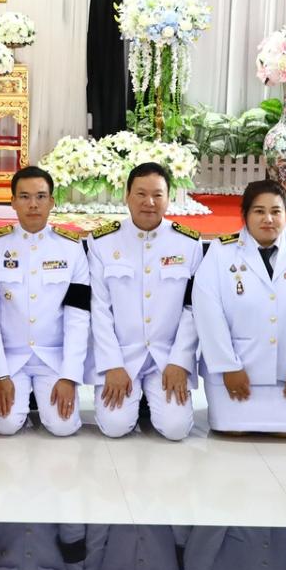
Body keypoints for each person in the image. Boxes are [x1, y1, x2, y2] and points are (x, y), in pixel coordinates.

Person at [192, 179, 286, 438]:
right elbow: (207, 312)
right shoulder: (221, 252)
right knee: (233, 432)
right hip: (236, 369)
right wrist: (227, 366)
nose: (268, 219)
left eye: (276, 211)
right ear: (244, 214)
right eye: (259, 211)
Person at [87, 162, 204, 441]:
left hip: (167, 356)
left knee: (176, 429)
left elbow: (193, 309)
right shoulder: (102, 241)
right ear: (126, 195)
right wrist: (112, 364)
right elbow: (99, 309)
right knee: (115, 426)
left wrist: (180, 361)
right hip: (122, 355)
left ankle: (153, 400)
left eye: (157, 195)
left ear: (168, 198)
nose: (149, 202)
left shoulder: (189, 243)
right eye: (141, 194)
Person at [0, 166, 91, 437]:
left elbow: (78, 316)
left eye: (40, 196)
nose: (33, 204)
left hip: (53, 357)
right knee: (5, 426)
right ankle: (21, 403)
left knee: (63, 427)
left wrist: (69, 375)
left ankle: (40, 399)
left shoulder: (72, 248)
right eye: (24, 197)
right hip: (10, 357)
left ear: (52, 201)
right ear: (13, 202)